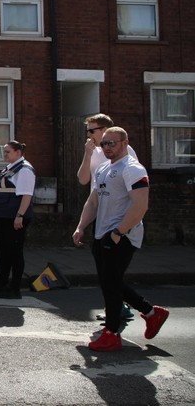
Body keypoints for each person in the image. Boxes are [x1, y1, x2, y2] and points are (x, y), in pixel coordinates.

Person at [72, 127, 169, 351]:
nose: (107, 148)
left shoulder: (133, 169)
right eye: (104, 144)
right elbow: (93, 201)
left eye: (112, 143)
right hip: (102, 233)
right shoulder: (104, 169)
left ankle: (112, 333)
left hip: (122, 235)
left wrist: (119, 232)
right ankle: (152, 312)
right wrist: (81, 226)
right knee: (111, 282)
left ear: (125, 143)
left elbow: (140, 206)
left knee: (111, 285)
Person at [0, 141, 34, 299]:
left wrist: (19, 215)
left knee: (14, 253)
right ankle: (2, 284)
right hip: (3, 216)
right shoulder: (11, 168)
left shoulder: (24, 170)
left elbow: (27, 195)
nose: (5, 154)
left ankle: (15, 288)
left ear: (18, 152)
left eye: (8, 152)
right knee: (4, 252)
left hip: (13, 218)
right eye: (4, 152)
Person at [76, 113, 138, 186]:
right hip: (98, 196)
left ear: (105, 130)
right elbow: (83, 180)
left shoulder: (124, 148)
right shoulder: (92, 150)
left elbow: (136, 177)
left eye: (91, 131)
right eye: (87, 131)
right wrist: (87, 154)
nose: (88, 135)